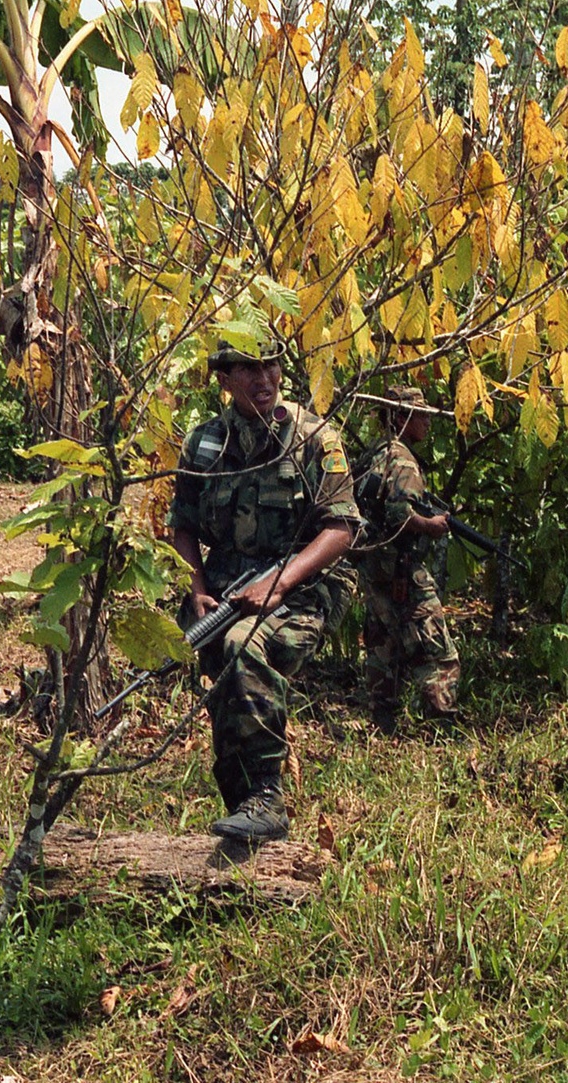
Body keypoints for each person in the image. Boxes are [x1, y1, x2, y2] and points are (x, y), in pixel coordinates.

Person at [168, 340, 361, 843]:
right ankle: (242, 807)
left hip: (306, 585)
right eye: (248, 369)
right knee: (216, 658)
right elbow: (182, 526)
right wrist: (197, 589)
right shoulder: (205, 442)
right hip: (229, 585)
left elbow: (341, 530)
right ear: (224, 380)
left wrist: (278, 584)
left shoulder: (315, 439)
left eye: (271, 366)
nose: (264, 379)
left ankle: (267, 796)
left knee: (241, 649)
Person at [355, 386, 460, 734]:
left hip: (375, 566)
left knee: (383, 644)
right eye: (421, 416)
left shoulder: (376, 454)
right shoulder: (402, 460)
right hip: (403, 567)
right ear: (401, 418)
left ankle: (382, 722)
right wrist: (430, 525)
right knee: (437, 651)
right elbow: (398, 513)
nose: (428, 423)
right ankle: (442, 725)